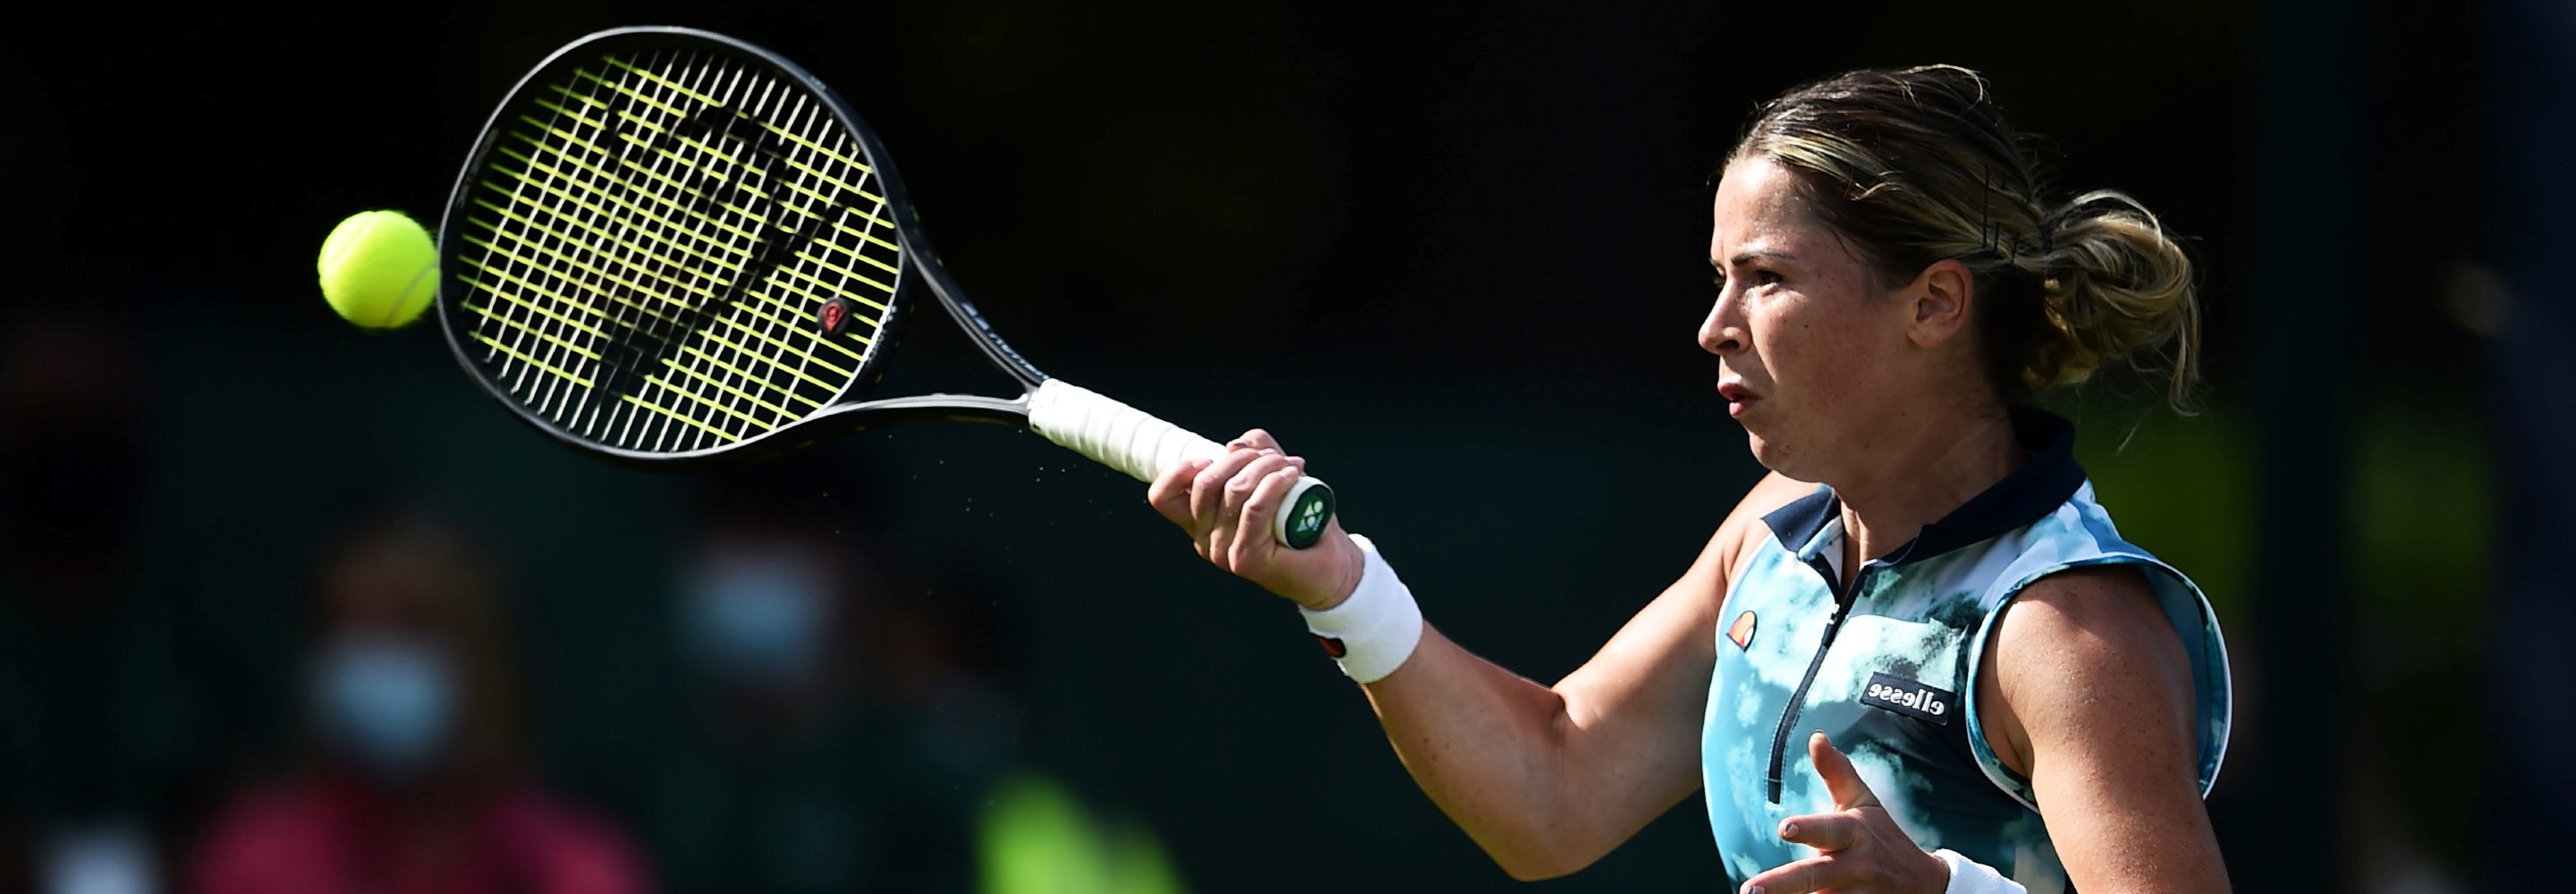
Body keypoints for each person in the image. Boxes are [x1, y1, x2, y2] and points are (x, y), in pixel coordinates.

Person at [1146, 65, 2231, 893]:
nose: (1715, 327)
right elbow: (1554, 787)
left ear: (1934, 305)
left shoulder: (2067, 631)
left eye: (1767, 279)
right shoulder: (1774, 535)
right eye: (1721, 278)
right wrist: (1342, 586)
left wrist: (1947, 889)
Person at [189, 509, 648, 894]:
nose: (370, 656)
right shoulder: (257, 862)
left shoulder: (571, 870)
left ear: (482, 658)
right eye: (344, 625)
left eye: (409, 626)